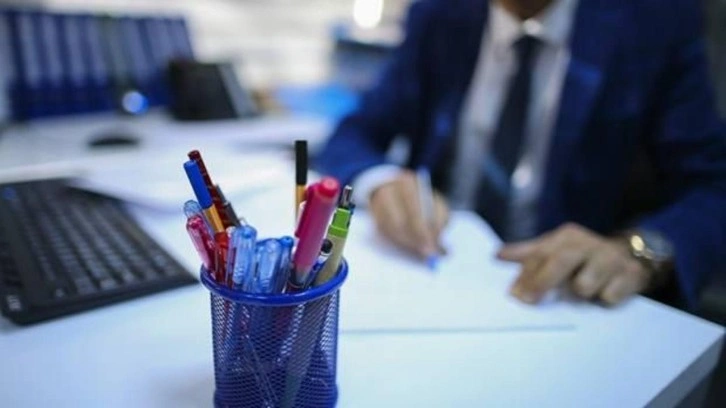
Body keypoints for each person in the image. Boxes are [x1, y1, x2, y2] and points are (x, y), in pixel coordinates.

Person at [316, 0, 726, 308]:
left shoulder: (655, 20)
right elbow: (355, 133)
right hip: (439, 269)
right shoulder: (440, 13)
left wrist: (636, 250)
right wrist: (381, 181)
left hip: (563, 295)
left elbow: (713, 186)